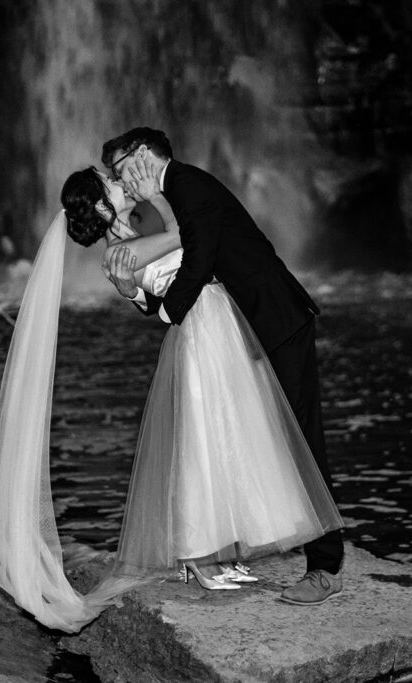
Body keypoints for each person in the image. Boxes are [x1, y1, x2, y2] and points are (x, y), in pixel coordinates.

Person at [0, 160, 342, 632]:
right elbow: (185, 236)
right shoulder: (129, 245)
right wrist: (154, 190)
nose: (119, 182)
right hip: (204, 327)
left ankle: (218, 549)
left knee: (228, 433)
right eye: (110, 183)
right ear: (97, 204)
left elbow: (150, 296)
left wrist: (133, 288)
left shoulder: (123, 243)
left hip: (213, 320)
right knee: (207, 438)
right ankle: (201, 554)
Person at [101, 127, 345, 605]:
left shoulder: (188, 185)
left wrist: (170, 315)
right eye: (113, 175)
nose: (121, 180)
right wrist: (139, 295)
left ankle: (325, 569)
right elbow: (174, 275)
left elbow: (198, 260)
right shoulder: (169, 199)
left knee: (301, 436)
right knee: (258, 436)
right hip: (244, 332)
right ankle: (244, 545)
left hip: (277, 320)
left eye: (121, 167)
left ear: (146, 155)